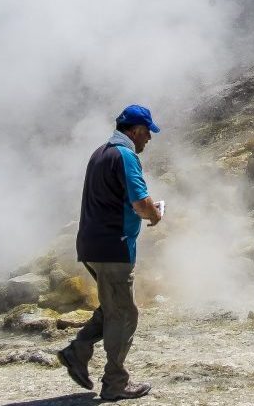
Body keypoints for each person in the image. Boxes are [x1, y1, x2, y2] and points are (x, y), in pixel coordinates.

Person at [58, 104, 164, 402]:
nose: (149, 139)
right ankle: (115, 383)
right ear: (134, 130)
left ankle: (77, 352)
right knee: (124, 314)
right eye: (147, 133)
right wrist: (155, 215)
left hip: (91, 245)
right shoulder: (126, 156)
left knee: (111, 307)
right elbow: (141, 202)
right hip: (114, 247)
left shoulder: (99, 153)